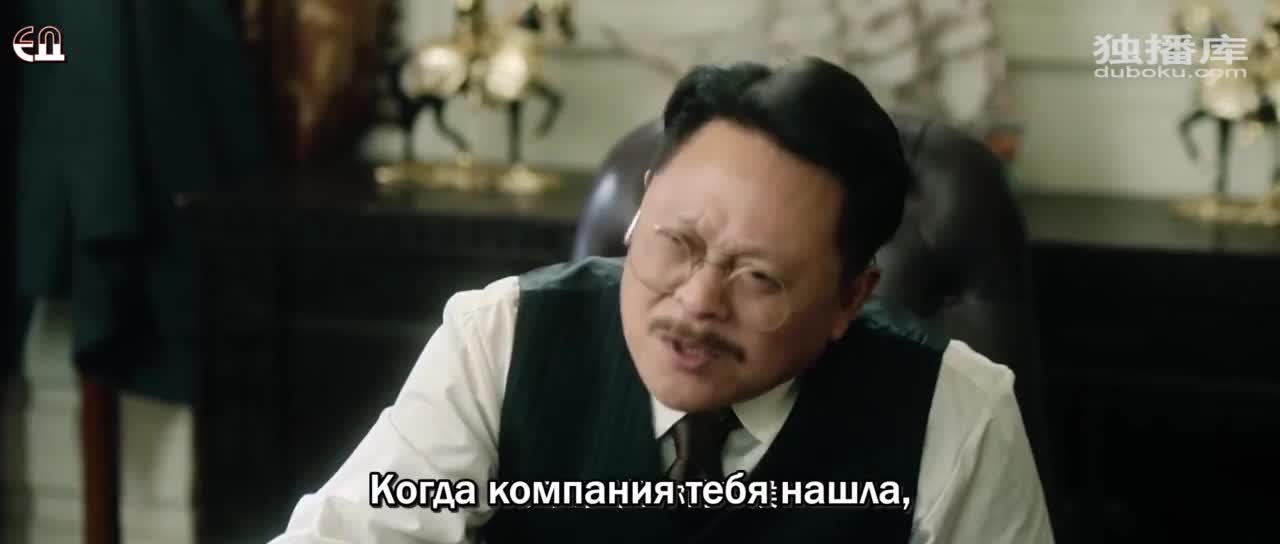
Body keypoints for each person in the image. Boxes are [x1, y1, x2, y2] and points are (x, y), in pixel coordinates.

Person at [270, 57, 1054, 543]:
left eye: (758, 276)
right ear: (641, 208)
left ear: (851, 295)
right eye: (676, 241)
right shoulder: (500, 340)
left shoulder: (956, 412)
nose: (697, 302)